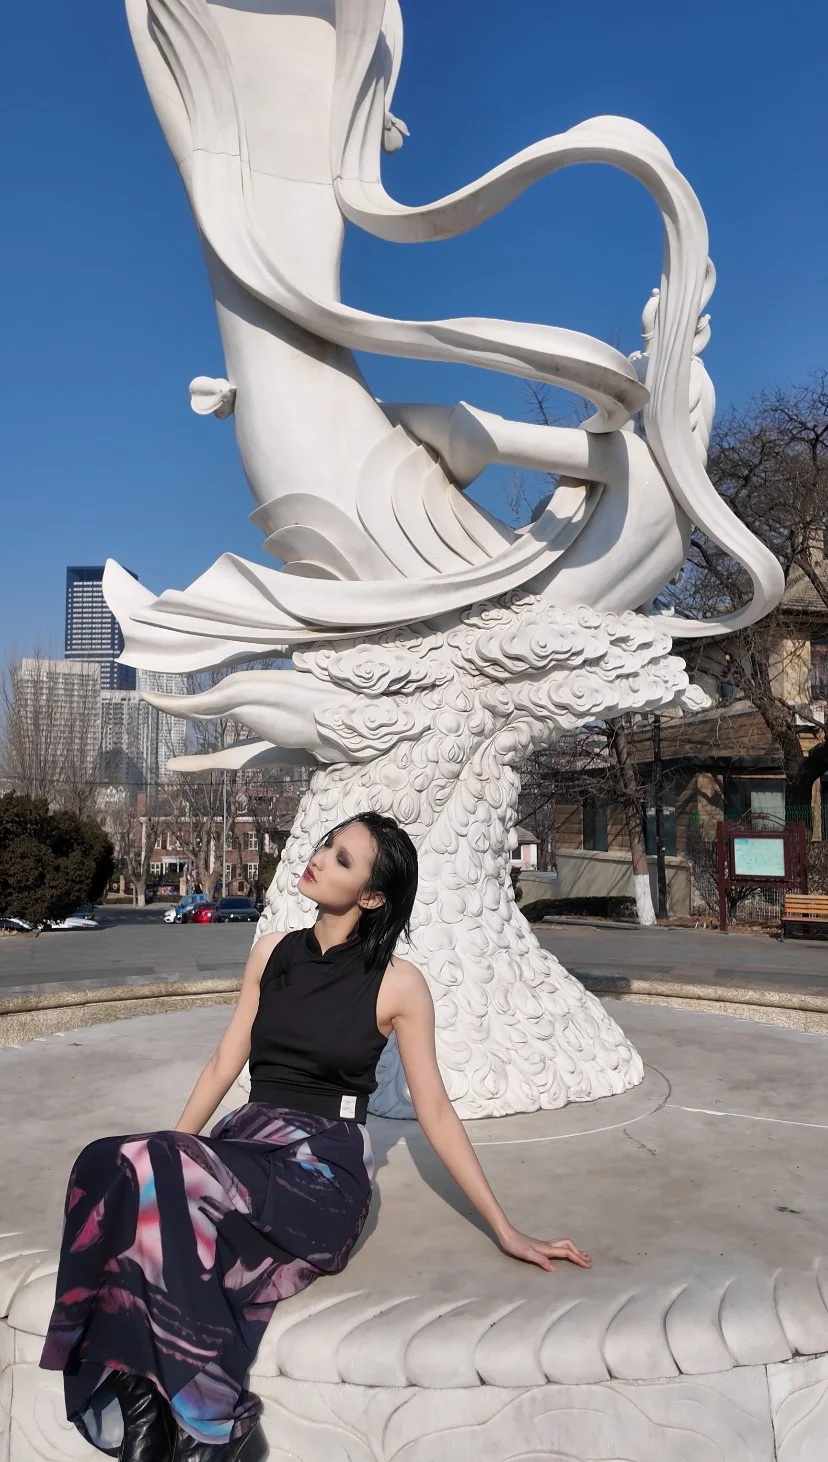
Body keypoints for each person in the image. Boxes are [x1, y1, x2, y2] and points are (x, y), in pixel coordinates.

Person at [40, 812, 590, 1462]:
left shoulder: (398, 982)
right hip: (246, 1147)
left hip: (321, 1173)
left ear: (372, 897)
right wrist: (158, 1167)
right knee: (105, 1163)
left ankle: (210, 1419)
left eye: (343, 859)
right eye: (328, 845)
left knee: (143, 1177)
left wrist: (505, 1228)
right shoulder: (272, 951)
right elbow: (223, 1065)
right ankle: (148, 1414)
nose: (320, 857)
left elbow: (437, 1111)